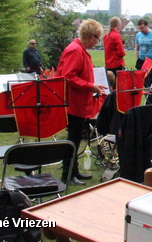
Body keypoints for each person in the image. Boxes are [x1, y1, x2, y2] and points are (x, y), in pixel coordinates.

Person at [55, 19, 106, 186]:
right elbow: (68, 77)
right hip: (73, 103)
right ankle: (67, 174)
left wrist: (92, 85)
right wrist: (90, 86)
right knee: (73, 139)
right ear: (91, 36)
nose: (97, 43)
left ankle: (73, 171)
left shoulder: (79, 50)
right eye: (98, 39)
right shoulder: (75, 50)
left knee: (76, 139)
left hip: (78, 102)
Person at [134, 19, 152, 104]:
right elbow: (136, 48)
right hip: (141, 61)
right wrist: (137, 58)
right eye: (140, 28)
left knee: (151, 82)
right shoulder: (138, 35)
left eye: (142, 28)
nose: (141, 30)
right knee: (142, 83)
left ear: (147, 26)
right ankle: (147, 99)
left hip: (151, 61)